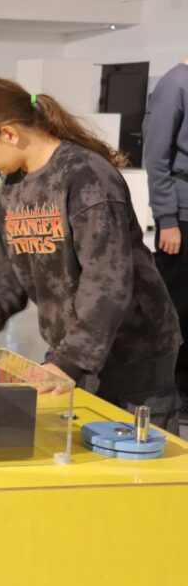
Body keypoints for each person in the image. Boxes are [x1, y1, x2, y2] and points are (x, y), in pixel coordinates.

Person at [0, 74, 182, 432]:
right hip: (75, 351)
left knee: (137, 451)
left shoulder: (86, 176)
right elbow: (9, 279)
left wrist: (69, 362)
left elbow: (107, 282)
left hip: (133, 350)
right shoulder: (12, 189)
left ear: (8, 133)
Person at [142, 57, 188, 417]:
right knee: (176, 308)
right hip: (181, 217)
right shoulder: (175, 84)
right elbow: (156, 156)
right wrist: (167, 219)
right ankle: (168, 390)